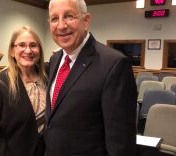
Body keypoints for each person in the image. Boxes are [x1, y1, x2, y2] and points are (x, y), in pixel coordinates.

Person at [45, 0, 137, 155]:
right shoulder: (55, 60)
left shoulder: (114, 64)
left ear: (86, 21)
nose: (61, 26)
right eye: (54, 18)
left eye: (69, 16)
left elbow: (121, 142)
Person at [0, 26, 47, 156]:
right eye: (21, 45)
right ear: (12, 51)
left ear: (39, 50)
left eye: (33, 45)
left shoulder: (47, 76)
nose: (28, 50)